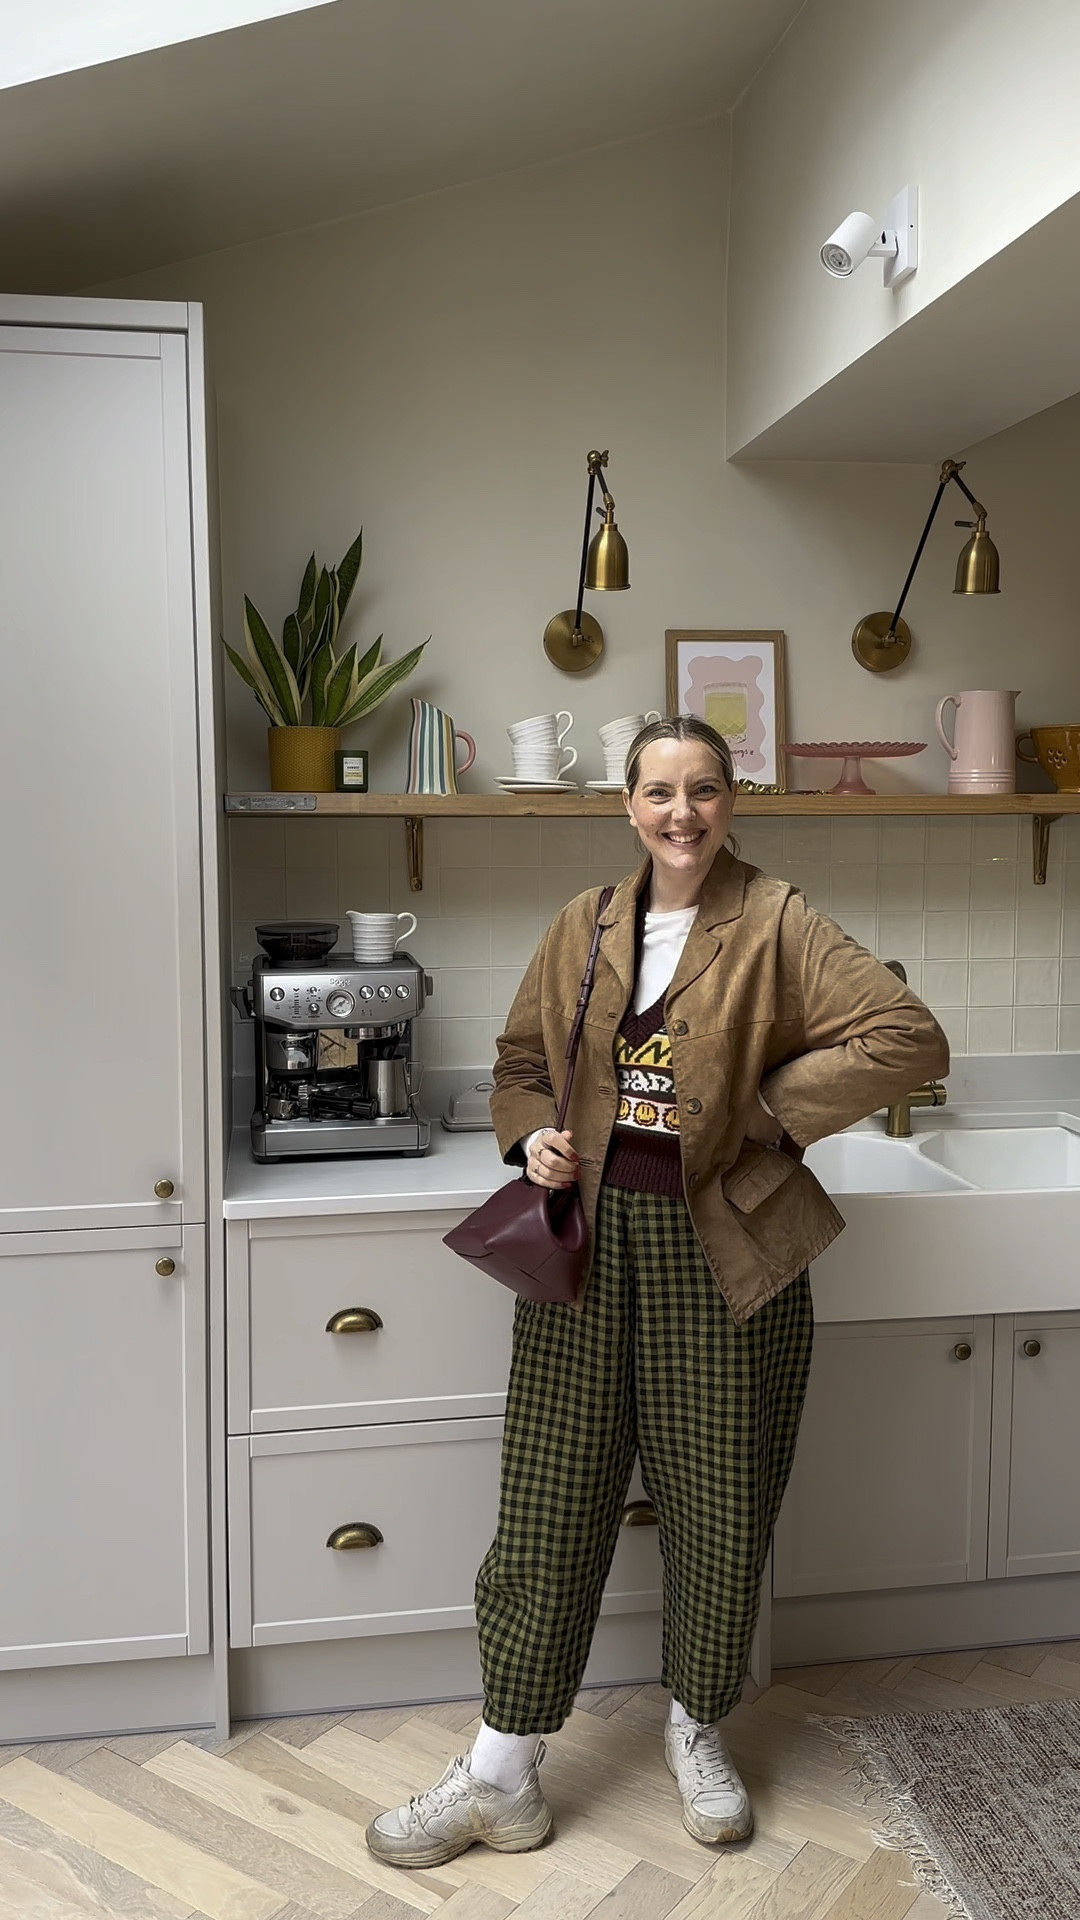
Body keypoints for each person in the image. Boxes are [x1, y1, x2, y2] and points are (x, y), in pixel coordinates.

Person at [366, 715, 948, 1869]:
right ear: (628, 805)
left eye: (705, 791)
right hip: (586, 1244)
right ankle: (501, 1770)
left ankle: (699, 1732)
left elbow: (907, 1035)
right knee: (549, 1499)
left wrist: (771, 1117)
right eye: (659, 792)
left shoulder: (778, 920)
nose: (681, 813)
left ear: (733, 802)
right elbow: (522, 1065)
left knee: (722, 1503)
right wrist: (531, 1134)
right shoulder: (583, 923)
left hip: (724, 1245)